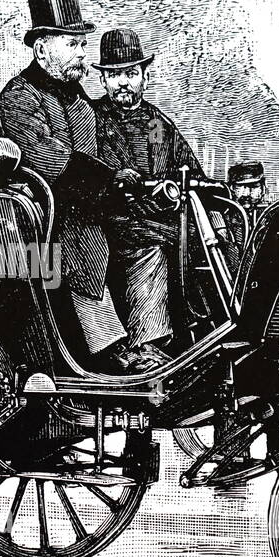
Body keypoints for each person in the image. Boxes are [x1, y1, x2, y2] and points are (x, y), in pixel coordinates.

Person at [0, 0, 164, 374]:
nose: (82, 54)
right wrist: (111, 182)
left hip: (82, 204)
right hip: (37, 218)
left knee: (157, 234)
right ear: (42, 50)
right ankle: (110, 348)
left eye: (82, 45)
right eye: (72, 44)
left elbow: (99, 148)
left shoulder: (75, 95)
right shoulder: (21, 96)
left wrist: (129, 180)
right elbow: (52, 162)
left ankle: (154, 341)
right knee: (87, 241)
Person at [92, 27, 202, 353]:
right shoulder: (91, 120)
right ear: (103, 81)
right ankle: (147, 347)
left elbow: (190, 171)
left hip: (159, 221)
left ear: (145, 76)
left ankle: (206, 335)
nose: (123, 82)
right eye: (114, 75)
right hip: (112, 224)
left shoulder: (159, 125)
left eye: (131, 73)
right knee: (150, 245)